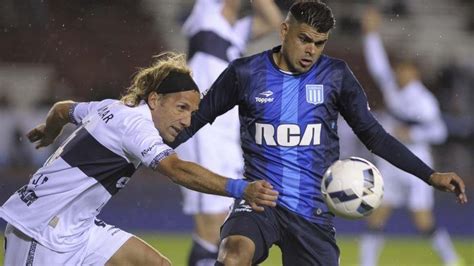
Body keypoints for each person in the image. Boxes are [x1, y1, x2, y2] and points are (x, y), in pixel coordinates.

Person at [170, 1, 468, 265]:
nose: (311, 50)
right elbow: (195, 120)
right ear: (284, 30)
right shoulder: (244, 73)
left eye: (320, 43)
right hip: (259, 202)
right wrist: (145, 147)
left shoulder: (335, 76)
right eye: (304, 39)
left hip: (311, 210)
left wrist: (430, 175)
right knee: (233, 254)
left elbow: (374, 136)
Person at [0, 52, 279, 266]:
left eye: (191, 114)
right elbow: (176, 169)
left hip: (78, 229)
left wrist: (49, 131)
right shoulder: (136, 127)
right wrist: (241, 189)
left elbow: (62, 109)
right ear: (155, 99)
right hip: (40, 228)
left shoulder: (110, 108)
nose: (185, 121)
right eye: (181, 108)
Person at [176, 0, 282, 265]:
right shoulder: (206, 13)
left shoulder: (237, 30)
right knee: (211, 224)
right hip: (203, 131)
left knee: (228, 225)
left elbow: (274, 20)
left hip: (228, 134)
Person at [359, 8, 464, 266]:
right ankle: (366, 263)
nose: (399, 74)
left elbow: (439, 131)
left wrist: (412, 132)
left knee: (422, 221)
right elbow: (377, 65)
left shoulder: (423, 100)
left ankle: (451, 260)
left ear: (415, 73)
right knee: (376, 215)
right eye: (399, 70)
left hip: (416, 162)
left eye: (405, 70)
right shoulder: (393, 87)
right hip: (392, 162)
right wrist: (370, 34)